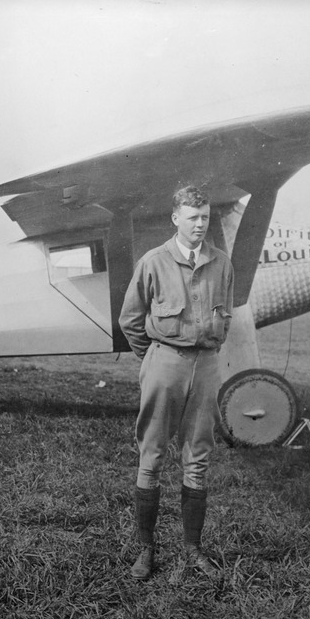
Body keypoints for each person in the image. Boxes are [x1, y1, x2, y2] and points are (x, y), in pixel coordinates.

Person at [118, 185, 234, 581]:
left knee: (197, 457)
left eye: (204, 217)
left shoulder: (221, 262)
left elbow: (227, 315)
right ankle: (146, 551)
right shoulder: (153, 262)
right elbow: (130, 320)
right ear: (176, 219)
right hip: (164, 362)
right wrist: (153, 358)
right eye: (192, 218)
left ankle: (192, 551)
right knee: (151, 454)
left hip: (205, 367)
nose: (200, 224)